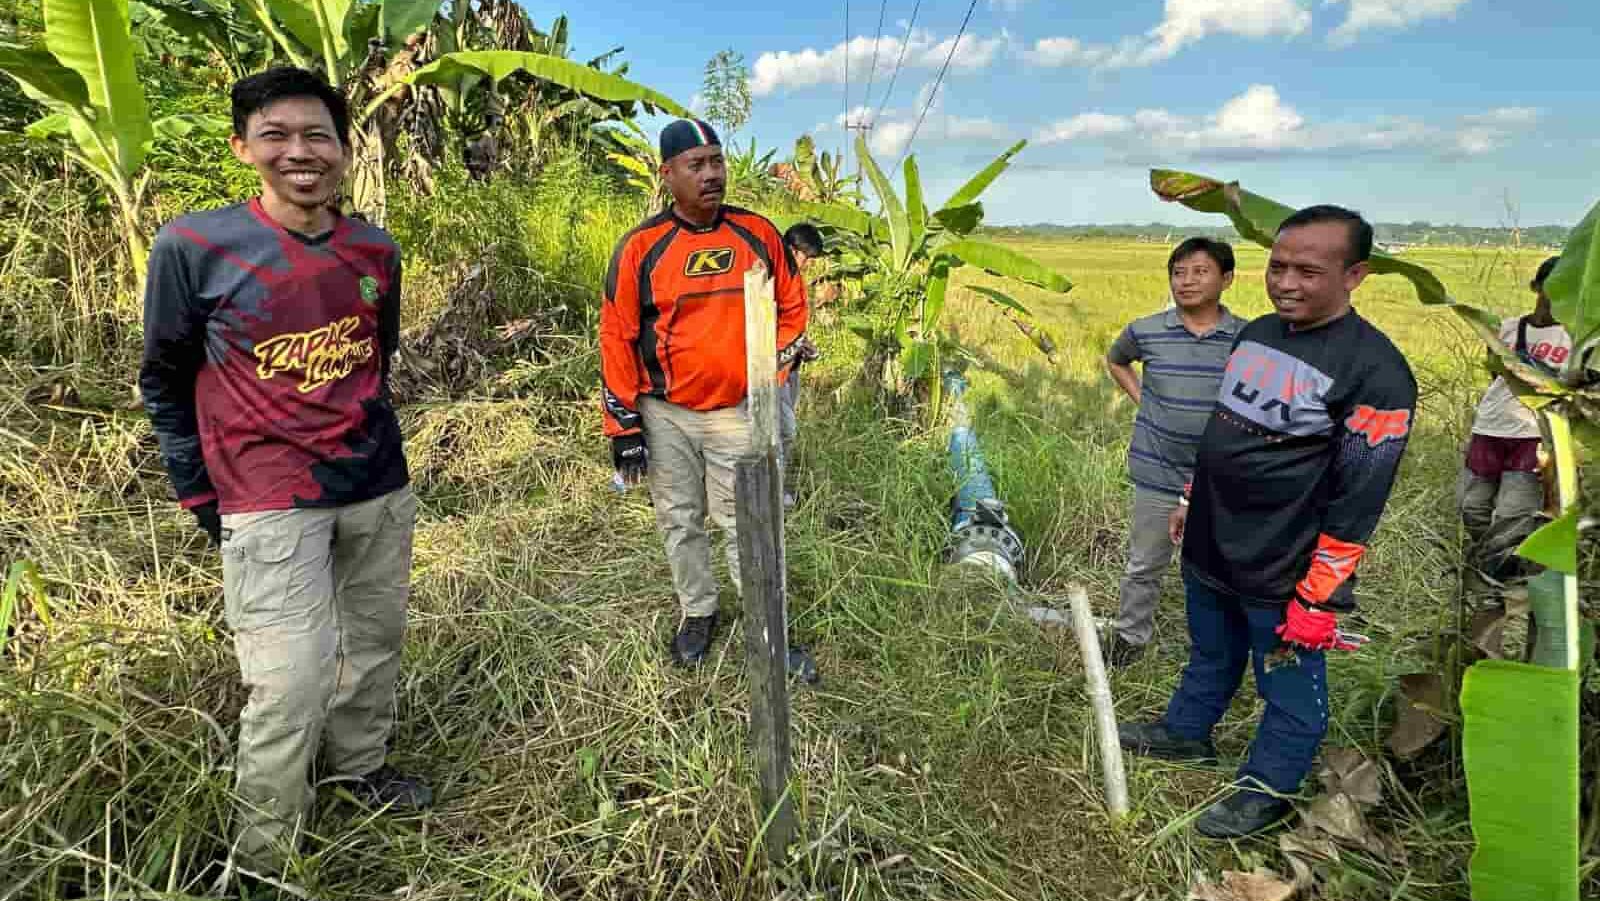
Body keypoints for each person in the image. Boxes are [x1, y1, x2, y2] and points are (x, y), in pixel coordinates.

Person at [139, 67, 432, 880]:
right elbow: (164, 377)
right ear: (243, 147)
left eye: (318, 136)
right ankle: (265, 856)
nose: (300, 152)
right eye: (276, 135)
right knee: (290, 681)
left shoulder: (375, 249)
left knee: (373, 644)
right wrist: (196, 488)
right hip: (268, 497)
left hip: (376, 483)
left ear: (344, 149)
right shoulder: (194, 247)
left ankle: (359, 770)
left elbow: (376, 355)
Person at [1118, 206, 1417, 839]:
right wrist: (1190, 498)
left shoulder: (1377, 373)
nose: (1286, 283)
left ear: (1354, 275)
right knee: (1210, 651)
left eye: (1308, 271)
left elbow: (1360, 498)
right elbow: (1222, 432)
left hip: (1283, 565)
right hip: (1211, 540)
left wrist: (1320, 594)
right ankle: (1186, 732)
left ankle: (1268, 788)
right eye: (1278, 267)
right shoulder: (1256, 334)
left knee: (1287, 686)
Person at [599, 119, 809, 666]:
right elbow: (616, 337)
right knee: (679, 518)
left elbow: (792, 307)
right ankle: (698, 612)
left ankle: (768, 626)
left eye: (717, 161)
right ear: (667, 174)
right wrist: (623, 427)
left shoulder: (757, 235)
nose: (712, 174)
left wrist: (770, 376)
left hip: (737, 411)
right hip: (665, 414)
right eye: (697, 165)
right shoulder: (641, 248)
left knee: (749, 521)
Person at [1104, 237, 1245, 667]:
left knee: (1218, 568)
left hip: (1222, 478)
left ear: (1227, 279)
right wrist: (1144, 399)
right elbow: (1116, 359)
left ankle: (1216, 647)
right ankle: (1130, 638)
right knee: (1144, 563)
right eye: (1178, 272)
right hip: (1158, 471)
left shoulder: (1247, 337)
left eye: (1200, 272)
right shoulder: (1146, 330)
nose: (1187, 281)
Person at [1458, 256, 1567, 574]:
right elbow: (1495, 374)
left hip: (1535, 436)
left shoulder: (1575, 339)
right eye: (1552, 286)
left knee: (1512, 513)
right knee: (1471, 506)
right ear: (1537, 287)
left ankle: (1499, 577)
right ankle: (1489, 561)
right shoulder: (1507, 329)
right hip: (1490, 427)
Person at [779, 222, 825, 504]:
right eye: (803, 256)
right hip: (773, 370)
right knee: (783, 431)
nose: (806, 264)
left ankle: (775, 487)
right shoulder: (769, 280)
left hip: (791, 367)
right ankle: (770, 491)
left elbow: (791, 325)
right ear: (789, 249)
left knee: (783, 433)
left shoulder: (795, 280)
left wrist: (803, 344)